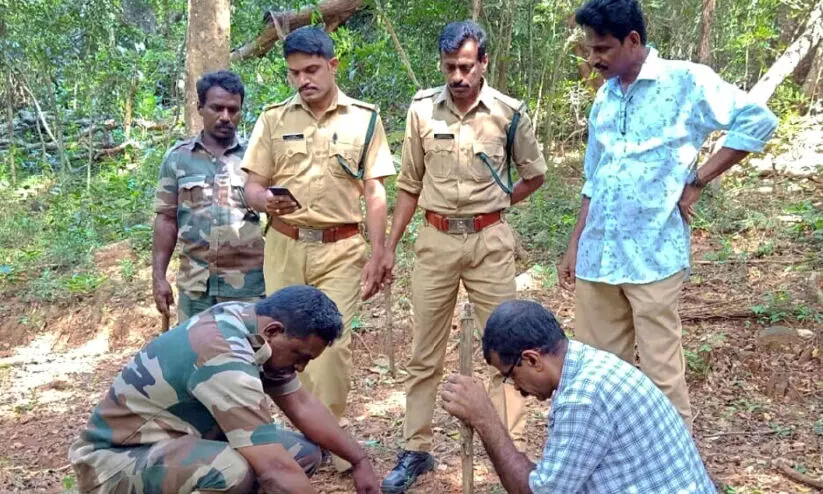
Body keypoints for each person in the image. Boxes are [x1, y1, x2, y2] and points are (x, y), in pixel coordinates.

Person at [558, 0, 778, 426]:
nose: (593, 58)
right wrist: (574, 241)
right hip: (597, 257)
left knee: (662, 378)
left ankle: (674, 474)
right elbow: (594, 177)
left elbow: (758, 120)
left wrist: (698, 181)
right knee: (597, 376)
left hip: (654, 255)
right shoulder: (604, 99)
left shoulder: (686, 82)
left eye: (602, 48)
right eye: (590, 48)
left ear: (633, 40)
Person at [380, 20, 547, 493]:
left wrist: (496, 206)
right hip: (434, 241)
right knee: (424, 352)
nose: (458, 76)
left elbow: (535, 175)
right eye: (450, 66)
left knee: (510, 349)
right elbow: (410, 183)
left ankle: (506, 448)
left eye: (466, 67)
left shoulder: (509, 114)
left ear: (484, 63)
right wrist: (388, 247)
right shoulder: (421, 112)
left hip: (490, 243)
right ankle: (415, 449)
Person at [243, 26, 395, 472]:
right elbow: (251, 184)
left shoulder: (364, 119)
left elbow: (375, 190)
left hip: (341, 249)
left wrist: (379, 250)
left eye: (311, 70)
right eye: (294, 73)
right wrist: (263, 200)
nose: (303, 80)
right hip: (285, 245)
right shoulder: (273, 118)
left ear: (332, 66)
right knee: (276, 344)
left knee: (330, 347)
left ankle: (328, 442)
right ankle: (297, 443)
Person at [68, 285, 381, 494]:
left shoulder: (253, 326)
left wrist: (359, 460)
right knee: (234, 471)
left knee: (304, 453)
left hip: (178, 441)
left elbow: (300, 403)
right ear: (274, 331)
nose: (300, 368)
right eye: (300, 357)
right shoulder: (223, 354)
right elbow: (272, 467)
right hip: (113, 462)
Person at [442, 300, 716, 493]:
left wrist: (484, 418)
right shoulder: (588, 363)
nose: (516, 387)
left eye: (510, 375)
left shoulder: (583, 398)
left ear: (532, 359)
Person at [152, 70, 265, 324]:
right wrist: (158, 277)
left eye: (233, 110)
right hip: (195, 289)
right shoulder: (178, 158)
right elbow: (166, 220)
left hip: (249, 289)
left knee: (248, 358)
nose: (226, 117)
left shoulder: (256, 159)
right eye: (217, 108)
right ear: (200, 107)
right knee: (194, 359)